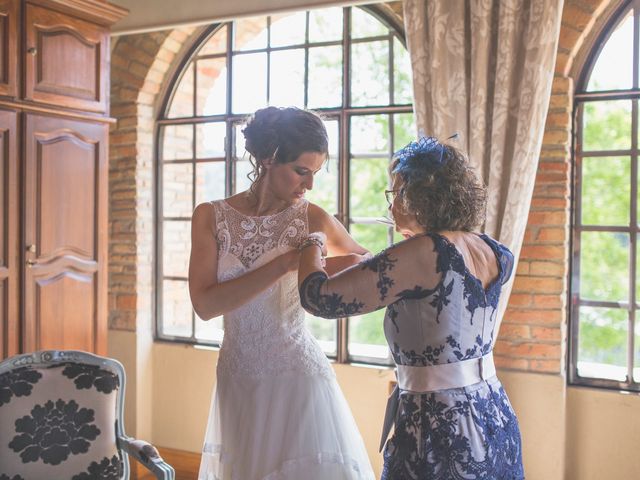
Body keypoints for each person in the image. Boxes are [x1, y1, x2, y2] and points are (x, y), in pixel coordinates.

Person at [297, 136, 525, 479]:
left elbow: (318, 297)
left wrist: (311, 243)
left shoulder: (425, 251)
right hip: (494, 413)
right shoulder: (493, 249)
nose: (390, 205)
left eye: (394, 193)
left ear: (419, 196)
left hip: (440, 425)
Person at [189, 106, 375, 480]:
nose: (308, 186)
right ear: (268, 158)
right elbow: (206, 305)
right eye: (301, 171)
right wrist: (287, 263)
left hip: (296, 375)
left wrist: (314, 264)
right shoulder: (210, 216)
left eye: (315, 174)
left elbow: (364, 262)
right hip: (237, 375)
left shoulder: (312, 218)